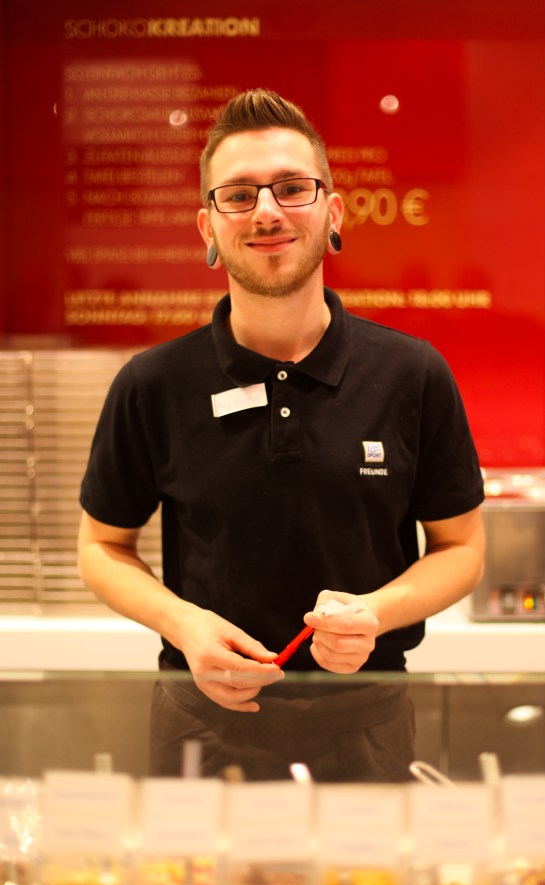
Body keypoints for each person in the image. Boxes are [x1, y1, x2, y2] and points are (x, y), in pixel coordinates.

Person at [77, 88, 485, 781]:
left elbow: (462, 546)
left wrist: (376, 614)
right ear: (207, 227)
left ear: (333, 212)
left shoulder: (412, 373)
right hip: (202, 724)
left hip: (367, 721)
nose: (266, 211)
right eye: (238, 195)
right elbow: (101, 546)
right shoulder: (152, 383)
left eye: (292, 188)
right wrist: (184, 624)